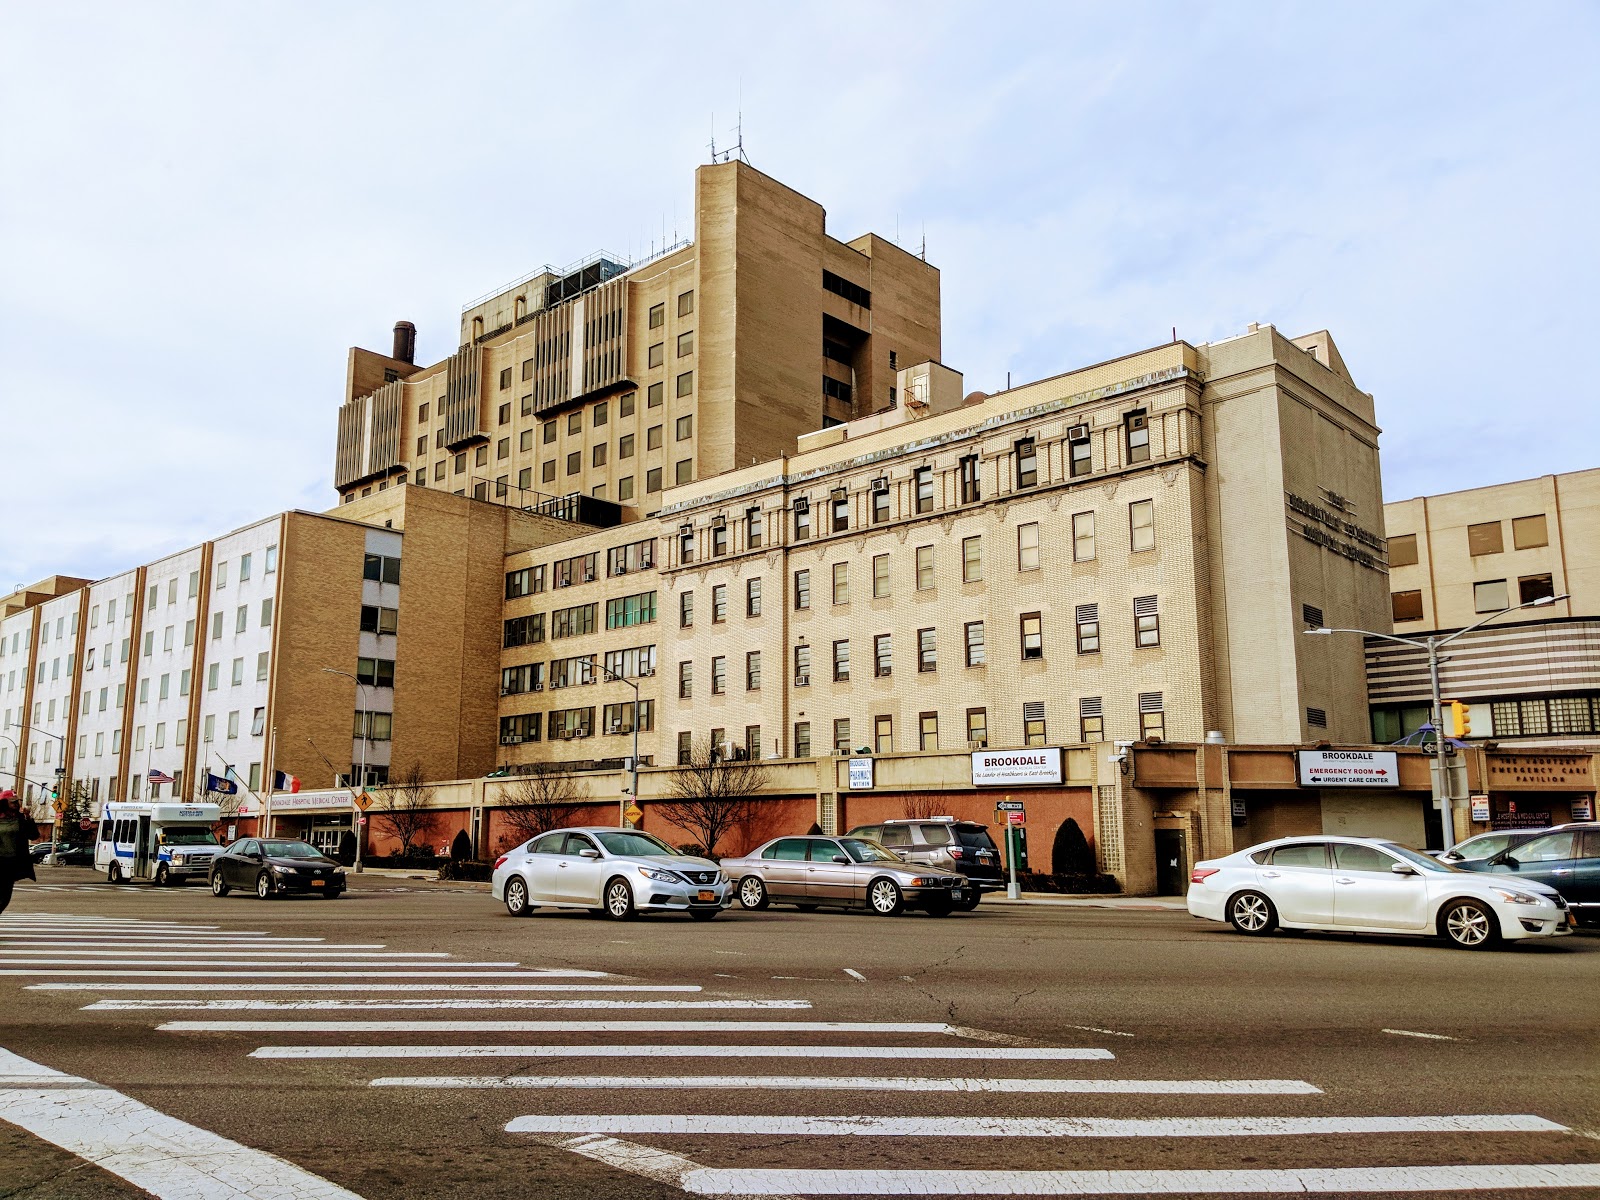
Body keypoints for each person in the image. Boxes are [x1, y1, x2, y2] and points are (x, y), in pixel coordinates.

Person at [0, 790, 39, 915]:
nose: (17, 804)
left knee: (5, 897)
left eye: (17, 801)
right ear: (5, 803)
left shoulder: (21, 819)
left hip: (11, 863)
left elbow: (33, 836)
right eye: (13, 802)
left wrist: (28, 818)